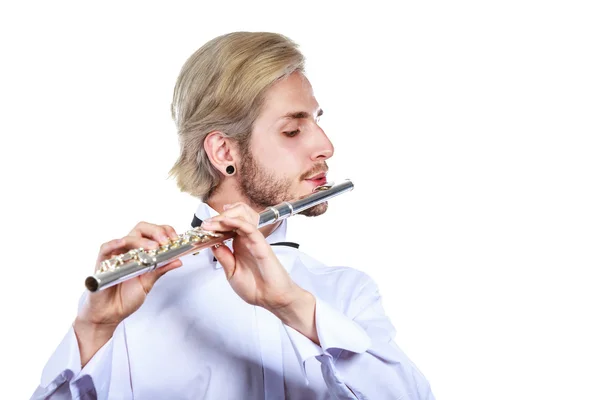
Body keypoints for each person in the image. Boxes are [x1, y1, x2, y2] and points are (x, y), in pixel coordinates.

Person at [32, 31, 435, 400]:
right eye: (293, 131)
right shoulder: (135, 304)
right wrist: (93, 332)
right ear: (224, 152)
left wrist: (295, 308)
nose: (325, 146)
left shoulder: (346, 295)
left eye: (317, 122)